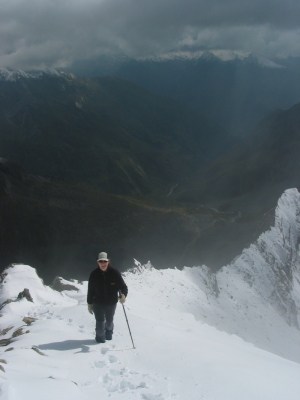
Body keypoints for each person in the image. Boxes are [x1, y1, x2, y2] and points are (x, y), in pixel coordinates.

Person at [87, 251, 128, 343]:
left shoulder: (114, 273)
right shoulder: (94, 274)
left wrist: (123, 295)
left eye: (104, 261)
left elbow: (123, 287)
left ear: (108, 261)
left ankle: (109, 332)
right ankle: (100, 339)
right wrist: (89, 303)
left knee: (109, 321)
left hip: (111, 303)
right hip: (98, 303)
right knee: (100, 323)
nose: (103, 264)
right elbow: (90, 290)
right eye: (100, 261)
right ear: (98, 262)